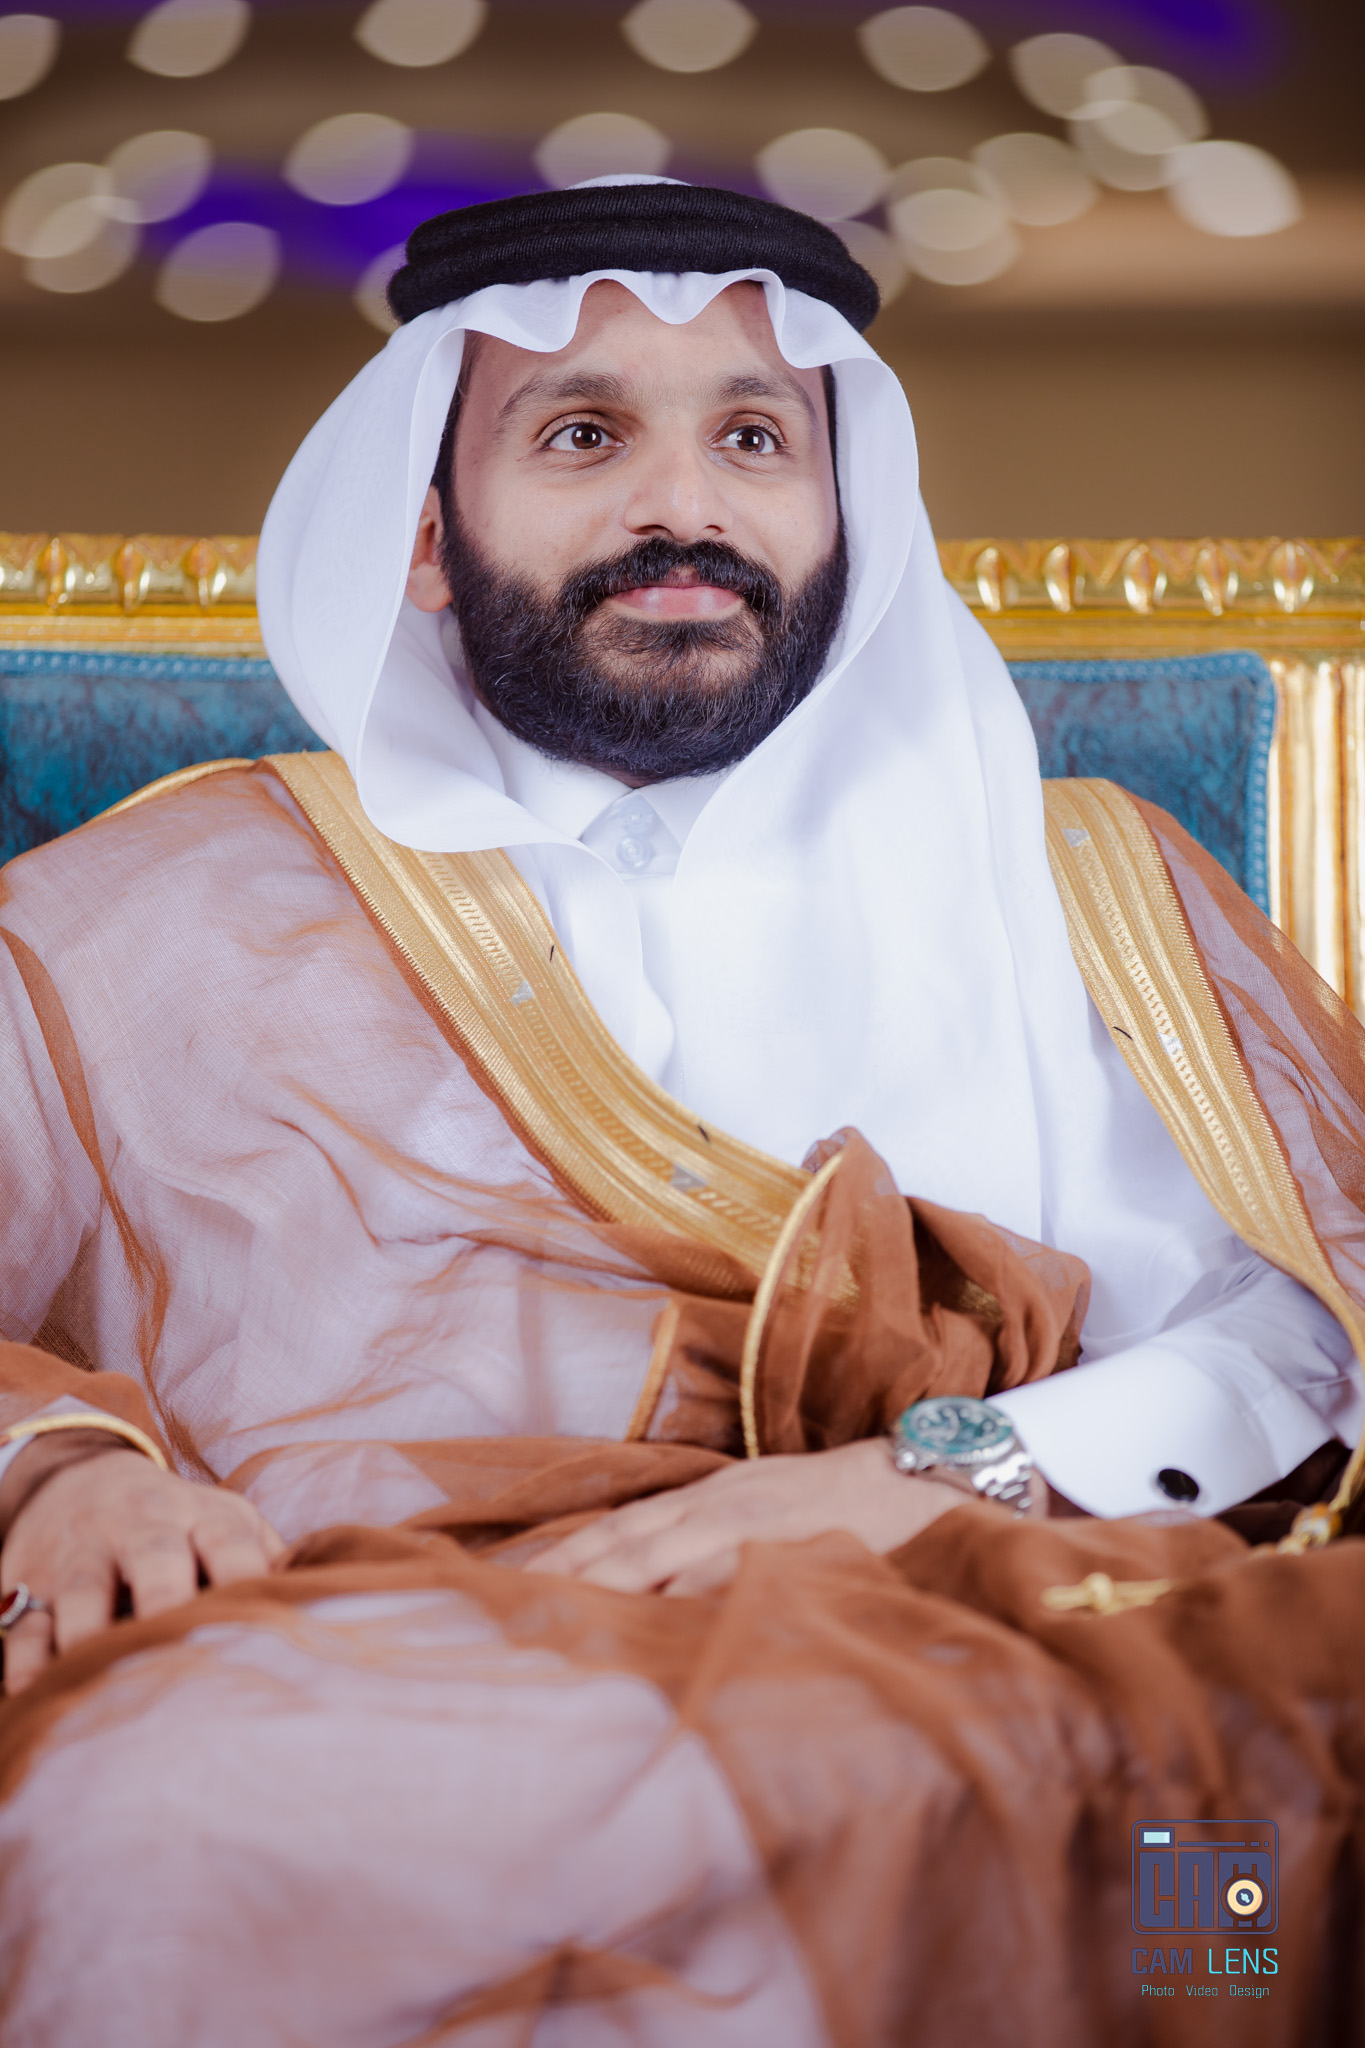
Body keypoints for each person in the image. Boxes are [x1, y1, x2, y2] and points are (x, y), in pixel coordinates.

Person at [0, 177, 1361, 2045]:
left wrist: (923, 1478)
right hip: (385, 1656)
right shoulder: (164, 912)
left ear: (841, 510)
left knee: (1236, 1835)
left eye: (751, 439)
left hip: (1004, 1602)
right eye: (581, 436)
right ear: (424, 533)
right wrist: (61, 1474)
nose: (683, 508)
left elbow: (1308, 1319)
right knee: (173, 1820)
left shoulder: (1084, 888)